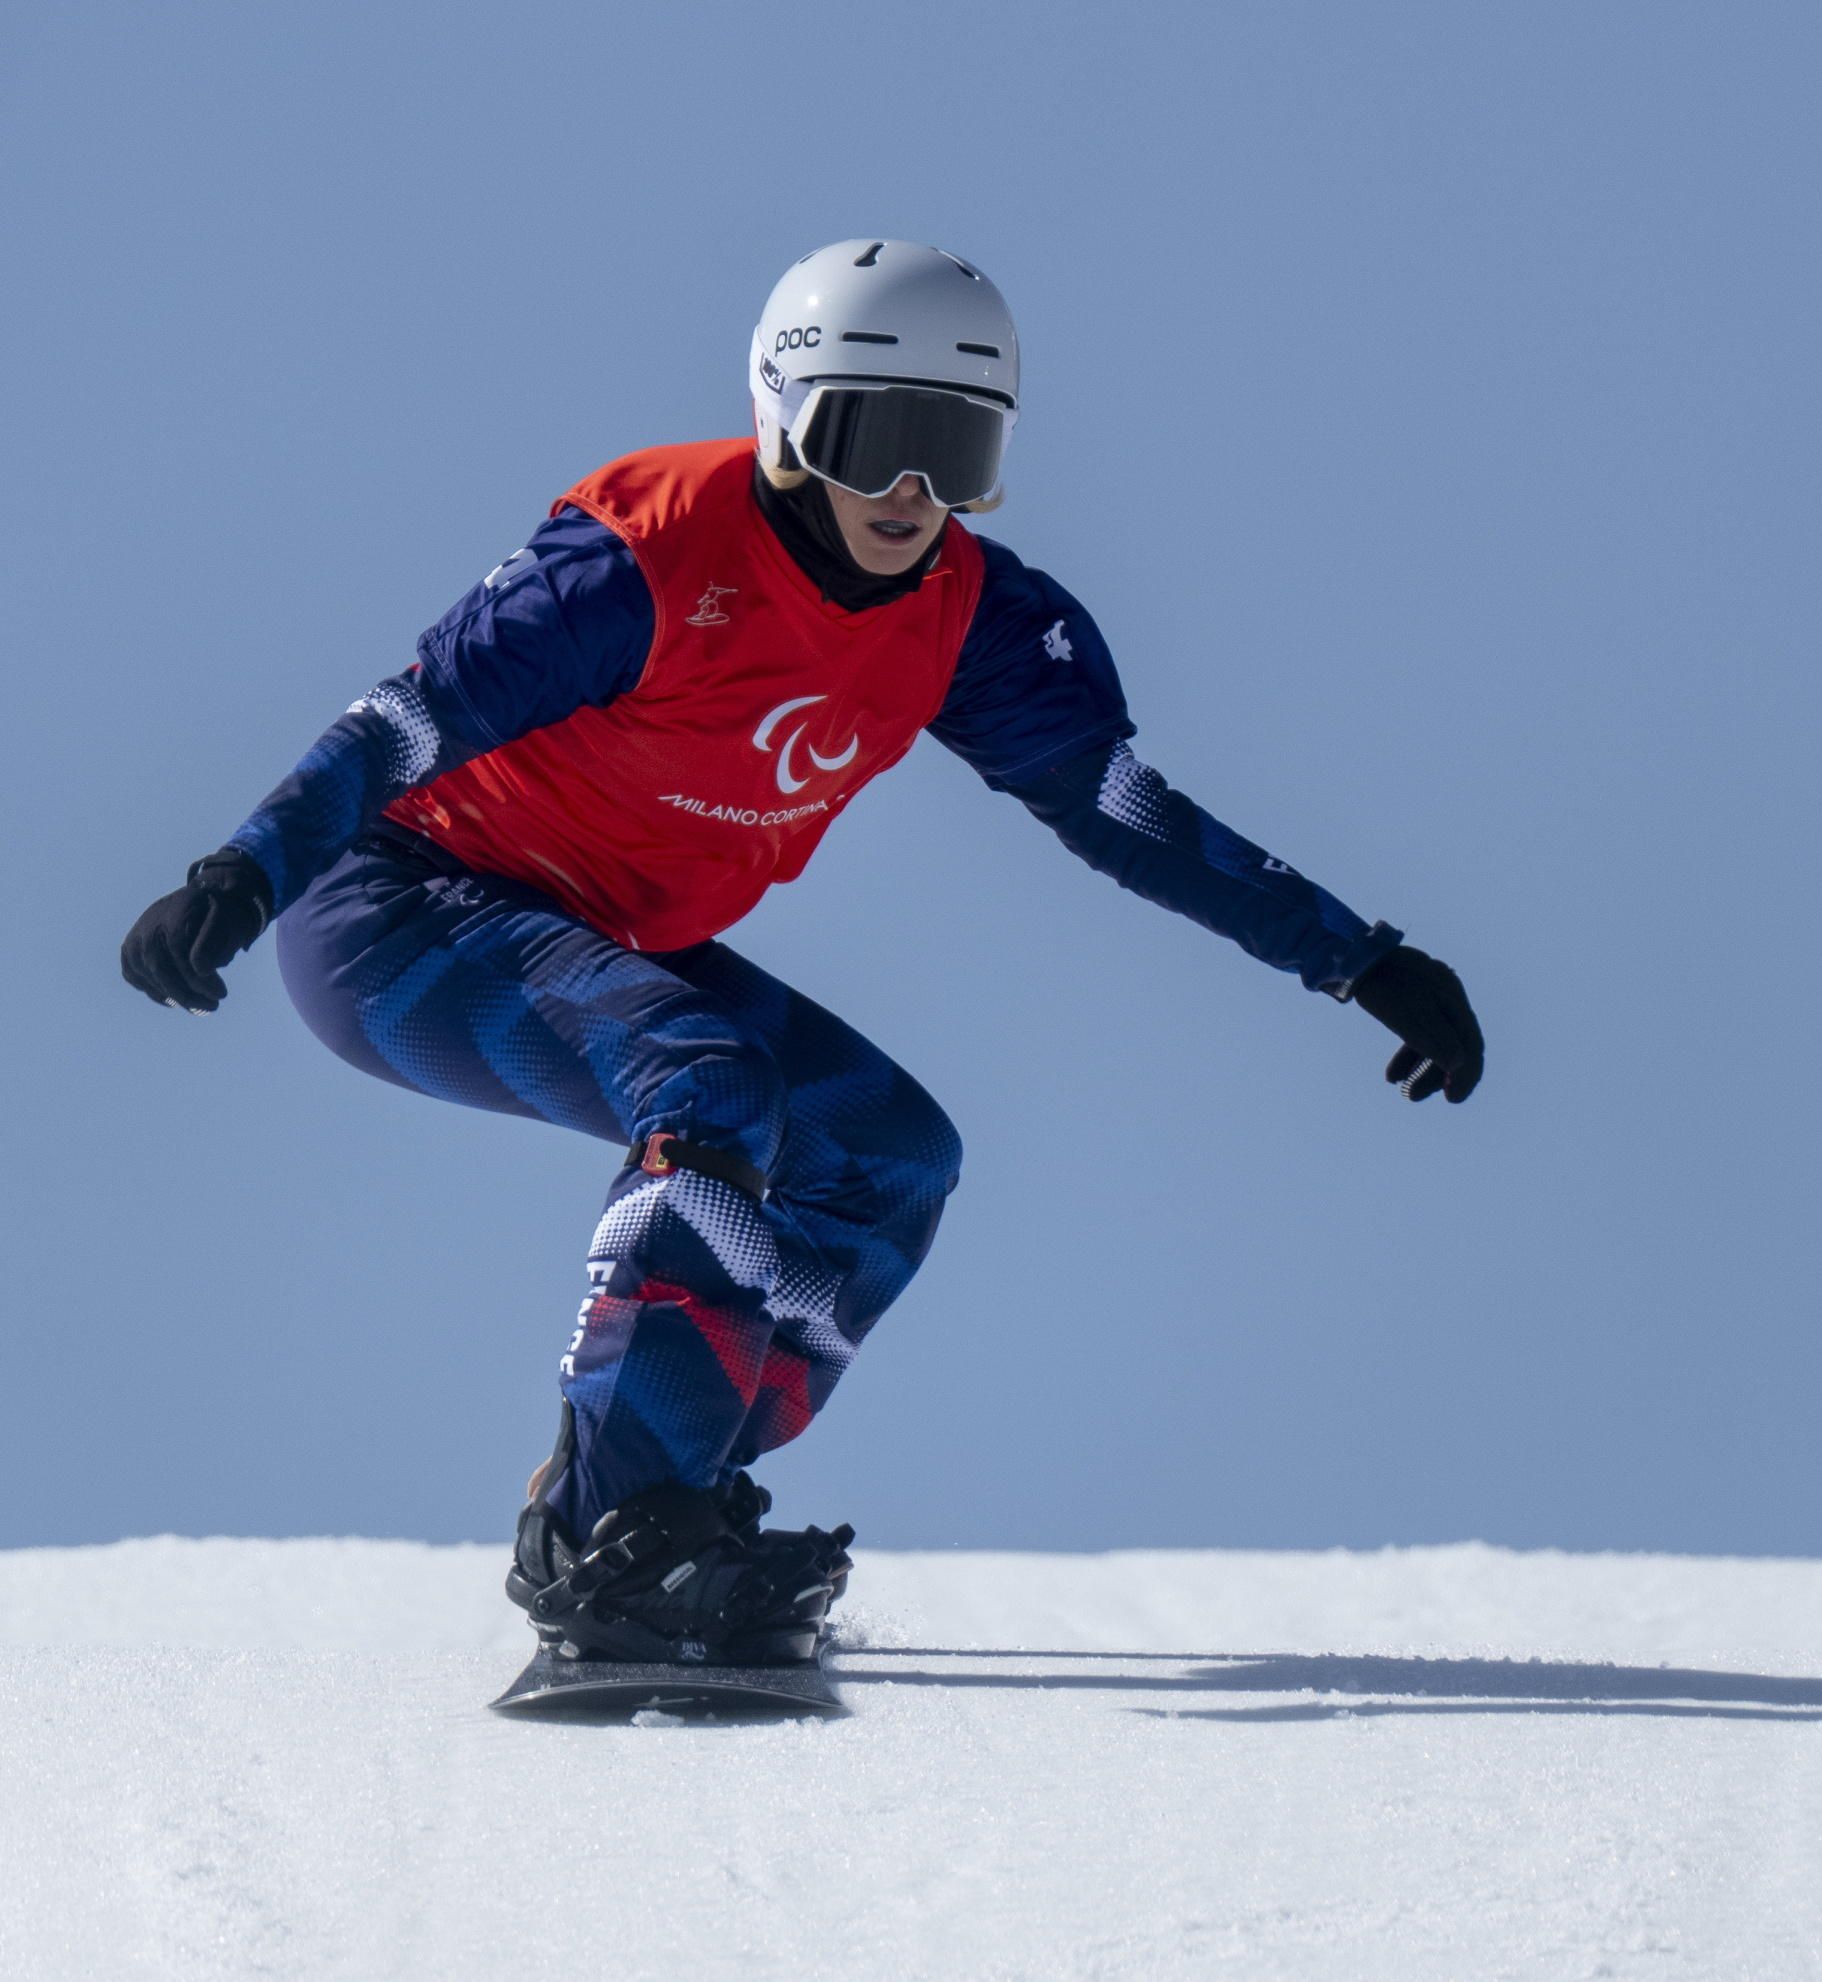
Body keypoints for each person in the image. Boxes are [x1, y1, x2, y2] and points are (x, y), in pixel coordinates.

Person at [119, 240, 1484, 1668]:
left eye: (956, 451)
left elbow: (1127, 815)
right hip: (397, 913)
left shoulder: (975, 619)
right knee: (705, 1078)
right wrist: (241, 871)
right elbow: (400, 724)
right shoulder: (644, 558)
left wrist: (1358, 958)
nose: (911, 494)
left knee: (890, 1158)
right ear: (784, 420)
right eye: (875, 438)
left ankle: (666, 1483)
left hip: (589, 932)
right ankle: (613, 1531)